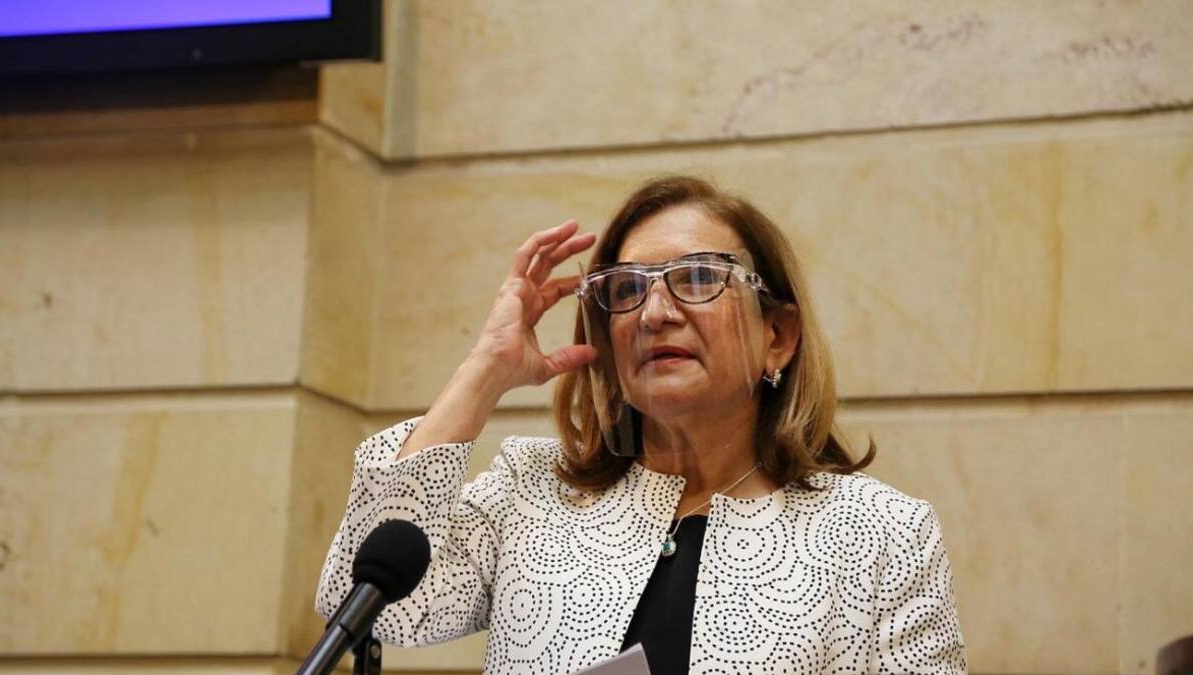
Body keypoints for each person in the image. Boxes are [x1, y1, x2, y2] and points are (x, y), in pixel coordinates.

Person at [315, 176, 966, 674]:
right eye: (627, 290)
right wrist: (485, 367)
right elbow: (374, 604)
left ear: (778, 335)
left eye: (698, 278)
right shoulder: (531, 490)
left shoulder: (883, 535)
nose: (654, 313)